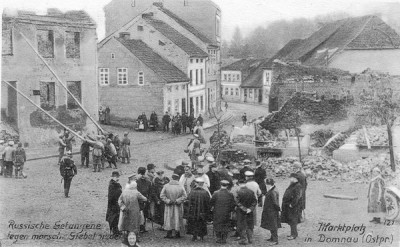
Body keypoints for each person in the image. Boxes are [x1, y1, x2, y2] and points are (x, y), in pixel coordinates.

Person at [160, 173, 187, 239]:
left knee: (169, 218)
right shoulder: (181, 186)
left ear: (172, 178)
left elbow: (162, 195)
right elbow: (185, 196)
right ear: (178, 178)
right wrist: (178, 200)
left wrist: (168, 201)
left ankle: (169, 233)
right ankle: (177, 233)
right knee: (177, 218)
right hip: (178, 205)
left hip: (169, 205)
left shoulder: (166, 186)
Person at [187, 177, 211, 241]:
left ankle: (194, 236)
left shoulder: (192, 192)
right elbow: (208, 203)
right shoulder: (205, 192)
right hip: (202, 211)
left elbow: (188, 201)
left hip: (193, 212)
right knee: (202, 223)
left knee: (194, 223)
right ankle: (201, 236)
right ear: (202, 184)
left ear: (196, 183)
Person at [281, 173, 302, 240]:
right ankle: (293, 233)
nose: (290, 179)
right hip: (289, 205)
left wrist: (292, 204)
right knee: (291, 220)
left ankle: (294, 235)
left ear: (295, 179)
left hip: (293, 207)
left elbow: (297, 197)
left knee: (293, 220)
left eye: (291, 178)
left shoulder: (298, 186)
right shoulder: (293, 185)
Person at [236, 179, 257, 245]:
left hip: (241, 212)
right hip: (249, 212)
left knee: (241, 225)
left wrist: (244, 209)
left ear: (239, 184)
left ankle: (243, 240)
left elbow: (237, 202)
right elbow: (255, 201)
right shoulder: (251, 191)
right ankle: (250, 239)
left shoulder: (238, 192)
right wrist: (250, 209)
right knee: (249, 225)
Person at [261, 178, 281, 245]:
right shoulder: (273, 189)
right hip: (271, 210)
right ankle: (272, 237)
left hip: (271, 211)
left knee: (273, 225)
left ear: (268, 184)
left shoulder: (272, 192)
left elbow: (275, 202)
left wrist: (278, 209)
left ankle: (275, 240)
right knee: (272, 224)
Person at [136, 167, 153, 233]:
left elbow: (151, 192)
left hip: (141, 200)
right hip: (144, 199)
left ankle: (141, 227)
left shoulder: (136, 182)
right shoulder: (148, 181)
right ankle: (142, 226)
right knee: (143, 213)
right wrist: (149, 199)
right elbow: (151, 192)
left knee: (141, 213)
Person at [106, 171, 122, 237]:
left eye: (117, 177)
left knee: (116, 217)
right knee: (113, 218)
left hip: (114, 203)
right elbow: (112, 196)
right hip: (113, 203)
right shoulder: (113, 185)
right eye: (116, 177)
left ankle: (116, 230)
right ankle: (114, 232)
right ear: (113, 177)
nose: (117, 178)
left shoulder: (114, 183)